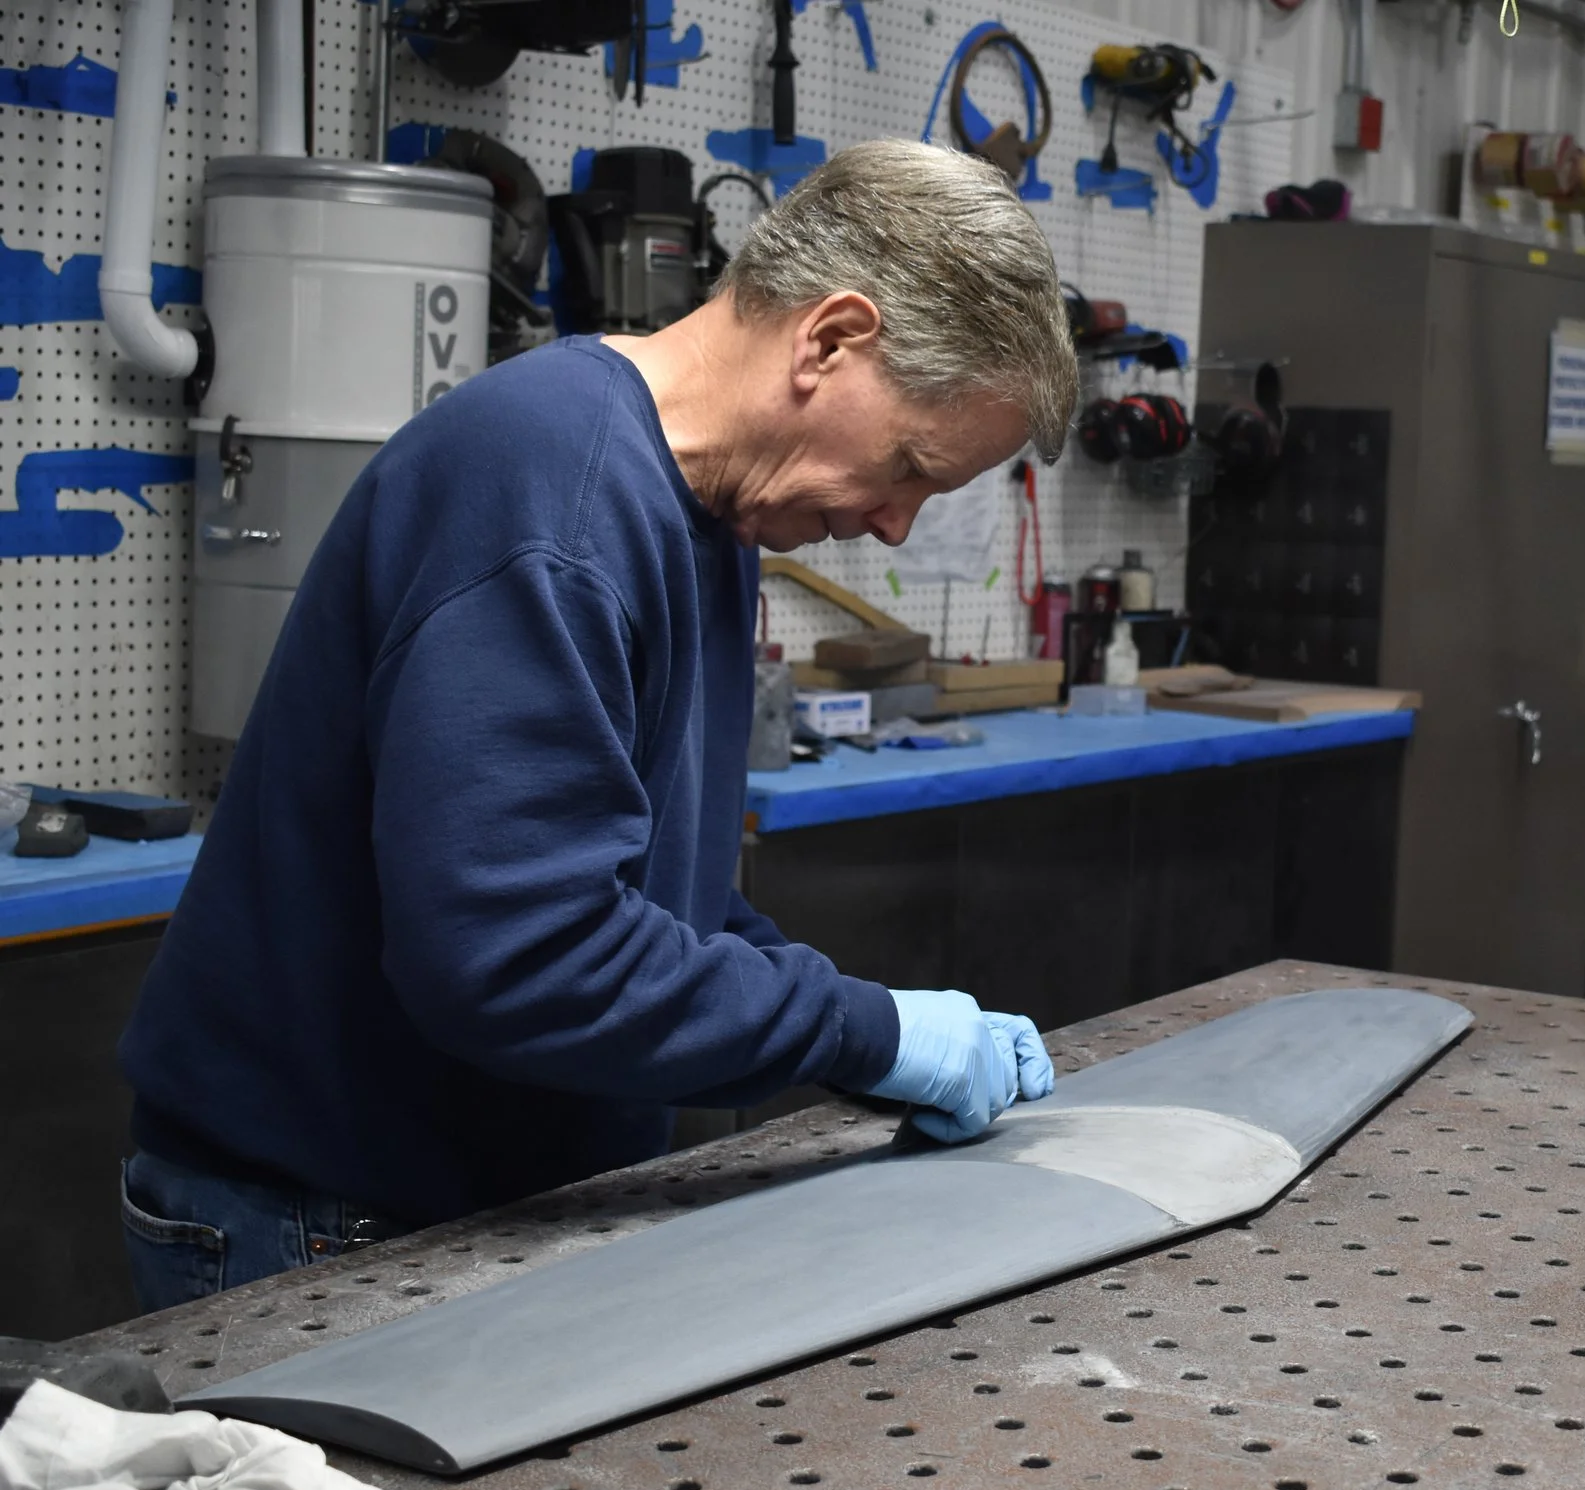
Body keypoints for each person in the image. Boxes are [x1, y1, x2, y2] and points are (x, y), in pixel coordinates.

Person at [115, 140, 1080, 1311]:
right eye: (910, 468)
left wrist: (847, 1019)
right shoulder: (553, 495)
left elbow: (654, 891)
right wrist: (860, 1032)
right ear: (830, 340)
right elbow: (523, 953)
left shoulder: (711, 511)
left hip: (471, 1194)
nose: (891, 526)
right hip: (324, 1215)